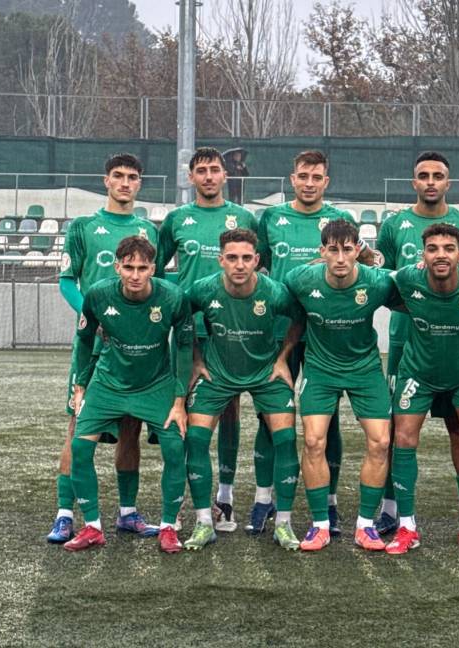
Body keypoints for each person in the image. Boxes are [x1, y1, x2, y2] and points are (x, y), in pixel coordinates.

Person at [252, 150, 374, 537]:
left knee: (327, 418)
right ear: (292, 179)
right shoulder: (271, 217)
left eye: (316, 177)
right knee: (272, 414)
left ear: (326, 181)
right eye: (303, 176)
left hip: (326, 332)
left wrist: (372, 256)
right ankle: (264, 497)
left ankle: (330, 502)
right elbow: (258, 266)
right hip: (279, 331)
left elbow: (367, 260)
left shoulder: (340, 220)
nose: (309, 183)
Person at [373, 151, 459, 540]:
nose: (430, 182)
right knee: (399, 428)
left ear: (448, 182)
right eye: (423, 175)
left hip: (457, 347)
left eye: (438, 175)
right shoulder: (394, 224)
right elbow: (383, 279)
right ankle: (391, 510)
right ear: (414, 182)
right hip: (406, 342)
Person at [47, 153, 161, 544]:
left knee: (130, 428)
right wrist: (95, 320)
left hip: (133, 350)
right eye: (118, 175)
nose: (125, 182)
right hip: (93, 347)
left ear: (140, 183)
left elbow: (153, 287)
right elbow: (66, 281)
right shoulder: (83, 227)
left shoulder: (149, 230)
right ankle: (65, 515)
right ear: (106, 181)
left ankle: (127, 513)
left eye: (133, 177)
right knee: (78, 427)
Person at [63, 236, 193, 553]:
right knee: (79, 447)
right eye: (129, 267)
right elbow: (84, 339)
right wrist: (80, 385)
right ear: (117, 267)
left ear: (154, 269)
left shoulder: (173, 297)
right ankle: (93, 527)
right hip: (108, 382)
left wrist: (179, 400)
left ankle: (168, 528)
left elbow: (184, 346)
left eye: (143, 268)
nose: (135, 275)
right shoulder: (98, 295)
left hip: (155, 384)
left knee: (175, 448)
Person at [185, 228, 305, 550]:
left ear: (257, 260)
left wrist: (282, 358)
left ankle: (283, 525)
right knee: (195, 440)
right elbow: (182, 316)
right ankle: (204, 523)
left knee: (287, 440)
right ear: (221, 260)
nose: (239, 265)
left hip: (266, 373)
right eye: (233, 258)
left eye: (246, 258)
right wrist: (196, 359)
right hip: (218, 375)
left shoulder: (274, 292)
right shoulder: (203, 289)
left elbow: (299, 318)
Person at [157, 146, 256, 534]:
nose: (209, 176)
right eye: (201, 170)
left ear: (225, 175)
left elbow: (257, 265)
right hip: (188, 332)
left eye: (215, 169)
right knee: (184, 413)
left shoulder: (243, 217)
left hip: (231, 329)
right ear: (191, 177)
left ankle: (225, 498)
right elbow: (156, 270)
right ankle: (188, 500)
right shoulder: (176, 219)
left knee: (230, 411)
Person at [283, 219, 398, 551]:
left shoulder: (377, 282)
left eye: (347, 249)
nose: (340, 257)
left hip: (364, 369)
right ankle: (320, 524)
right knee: (313, 442)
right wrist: (281, 357)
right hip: (320, 369)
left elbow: (415, 295)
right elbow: (285, 312)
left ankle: (366, 526)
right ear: (322, 252)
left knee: (381, 442)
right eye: (332, 250)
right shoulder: (300, 279)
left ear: (357, 250)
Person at [385, 223, 459, 557]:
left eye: (449, 248)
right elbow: (369, 281)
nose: (441, 255)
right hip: (418, 373)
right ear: (423, 254)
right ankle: (406, 526)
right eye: (433, 249)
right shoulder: (408, 278)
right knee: (403, 439)